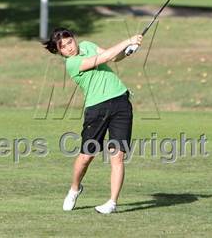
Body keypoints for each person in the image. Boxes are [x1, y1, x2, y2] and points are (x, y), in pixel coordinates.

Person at [43, 27, 143, 214]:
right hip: (96, 110)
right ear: (60, 51)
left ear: (74, 38)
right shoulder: (72, 63)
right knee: (87, 156)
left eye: (70, 41)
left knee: (118, 155)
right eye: (63, 47)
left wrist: (128, 51)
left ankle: (112, 202)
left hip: (121, 102)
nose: (69, 48)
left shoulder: (88, 45)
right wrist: (128, 40)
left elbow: (113, 57)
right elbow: (101, 59)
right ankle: (75, 188)